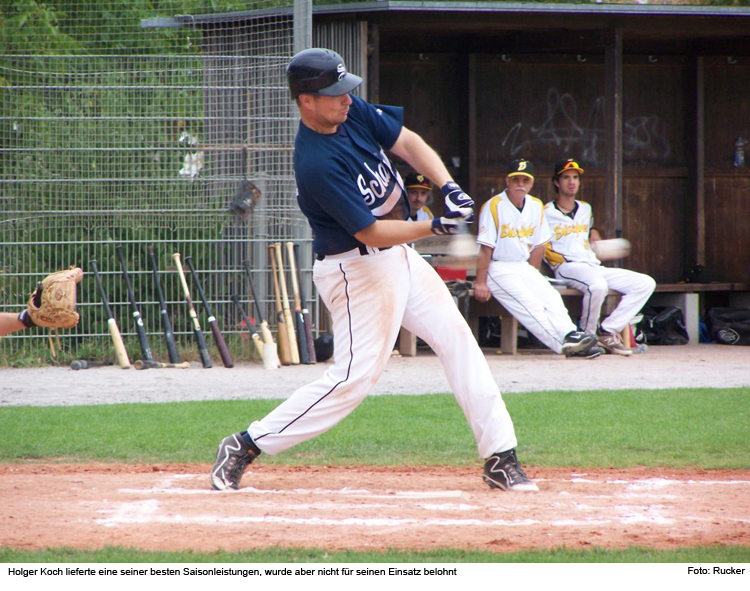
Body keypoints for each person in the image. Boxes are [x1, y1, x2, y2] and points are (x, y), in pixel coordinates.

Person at [210, 47, 538, 493]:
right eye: (334, 94)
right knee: (353, 379)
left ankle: (501, 456)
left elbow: (407, 142)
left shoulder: (349, 112)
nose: (347, 100)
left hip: (397, 257)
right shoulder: (315, 163)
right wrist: (432, 226)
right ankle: (246, 444)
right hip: (356, 272)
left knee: (457, 340)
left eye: (347, 91)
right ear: (306, 101)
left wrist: (449, 186)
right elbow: (369, 232)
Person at [473, 158, 603, 358]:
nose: (520, 184)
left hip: (523, 266)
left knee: (551, 299)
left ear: (531, 183)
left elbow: (539, 246)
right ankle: (565, 345)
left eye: (525, 180)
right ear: (507, 181)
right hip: (499, 268)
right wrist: (480, 282)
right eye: (515, 180)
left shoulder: (535, 206)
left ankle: (571, 334)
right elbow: (486, 248)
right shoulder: (494, 205)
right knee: (530, 305)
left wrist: (532, 275)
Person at [544, 158, 656, 356]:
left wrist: (594, 234)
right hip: (566, 266)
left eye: (575, 178)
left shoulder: (585, 208)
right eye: (566, 177)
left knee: (645, 283)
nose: (572, 182)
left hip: (592, 266)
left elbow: (588, 229)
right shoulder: (545, 212)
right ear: (556, 182)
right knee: (597, 286)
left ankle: (608, 331)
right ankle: (588, 337)